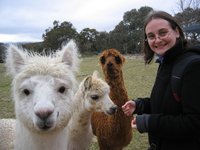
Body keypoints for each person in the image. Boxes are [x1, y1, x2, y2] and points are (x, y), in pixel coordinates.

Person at [122, 10, 200, 150]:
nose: (157, 40)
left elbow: (194, 122)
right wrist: (140, 105)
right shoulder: (166, 62)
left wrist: (149, 122)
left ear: (176, 32)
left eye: (163, 33)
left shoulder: (193, 66)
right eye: (151, 36)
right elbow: (166, 103)